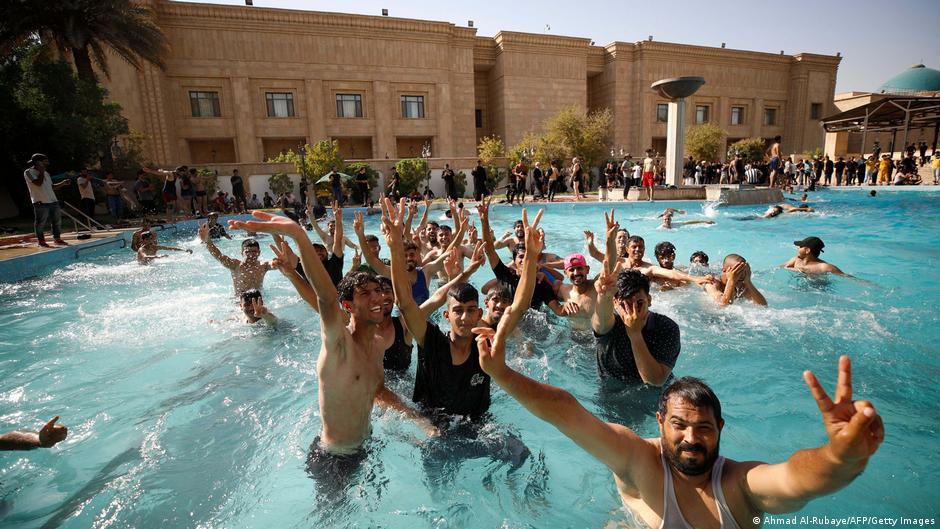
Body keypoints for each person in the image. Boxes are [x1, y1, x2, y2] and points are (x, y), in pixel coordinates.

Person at [476, 311, 885, 529]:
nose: (692, 438)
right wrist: (502, 373)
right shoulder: (638, 462)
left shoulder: (739, 488)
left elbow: (797, 480)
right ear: (659, 422)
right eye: (680, 425)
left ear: (721, 430)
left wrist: (840, 456)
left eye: (704, 428)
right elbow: (568, 412)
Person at [227, 211, 435, 495]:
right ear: (348, 306)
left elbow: (378, 391)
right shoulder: (339, 344)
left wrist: (418, 422)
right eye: (366, 294)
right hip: (333, 458)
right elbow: (325, 298)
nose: (378, 298)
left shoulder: (376, 345)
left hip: (366, 445)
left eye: (378, 290)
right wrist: (299, 236)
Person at [590, 221, 681, 385]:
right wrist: (603, 296)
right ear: (616, 303)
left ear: (650, 300)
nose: (633, 311)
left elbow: (655, 381)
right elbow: (600, 321)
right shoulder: (610, 325)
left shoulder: (667, 327)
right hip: (611, 394)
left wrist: (635, 334)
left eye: (639, 303)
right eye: (626, 304)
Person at [200, 222, 274, 295]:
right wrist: (207, 241)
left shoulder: (264, 265)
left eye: (254, 251)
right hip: (240, 301)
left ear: (259, 252)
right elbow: (218, 256)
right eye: (247, 252)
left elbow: (278, 263)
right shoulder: (235, 265)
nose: (251, 254)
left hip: (259, 300)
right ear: (242, 253)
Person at [23, 153, 70, 247]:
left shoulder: (46, 173)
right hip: (40, 202)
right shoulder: (28, 172)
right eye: (45, 160)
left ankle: (57, 239)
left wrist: (63, 183)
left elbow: (52, 187)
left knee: (57, 221)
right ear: (39, 162)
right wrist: (41, 172)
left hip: (53, 201)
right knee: (40, 223)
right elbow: (38, 183)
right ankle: (41, 241)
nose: (48, 162)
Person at [703, 254, 767, 306]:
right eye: (737, 271)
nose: (742, 275)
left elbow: (763, 305)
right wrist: (731, 280)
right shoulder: (712, 283)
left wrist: (748, 282)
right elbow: (723, 305)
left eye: (743, 271)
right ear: (724, 270)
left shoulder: (741, 285)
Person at [781, 237, 849, 276]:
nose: (798, 248)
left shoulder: (824, 266)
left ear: (807, 250)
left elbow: (845, 276)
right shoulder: (796, 260)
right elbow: (780, 267)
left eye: (801, 246)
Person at [0, 416, 68, 451]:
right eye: (52, 428)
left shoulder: (47, 442)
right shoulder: (45, 435)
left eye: (53, 430)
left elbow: (42, 435)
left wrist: (47, 425)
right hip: (9, 437)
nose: (51, 429)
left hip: (7, 443)